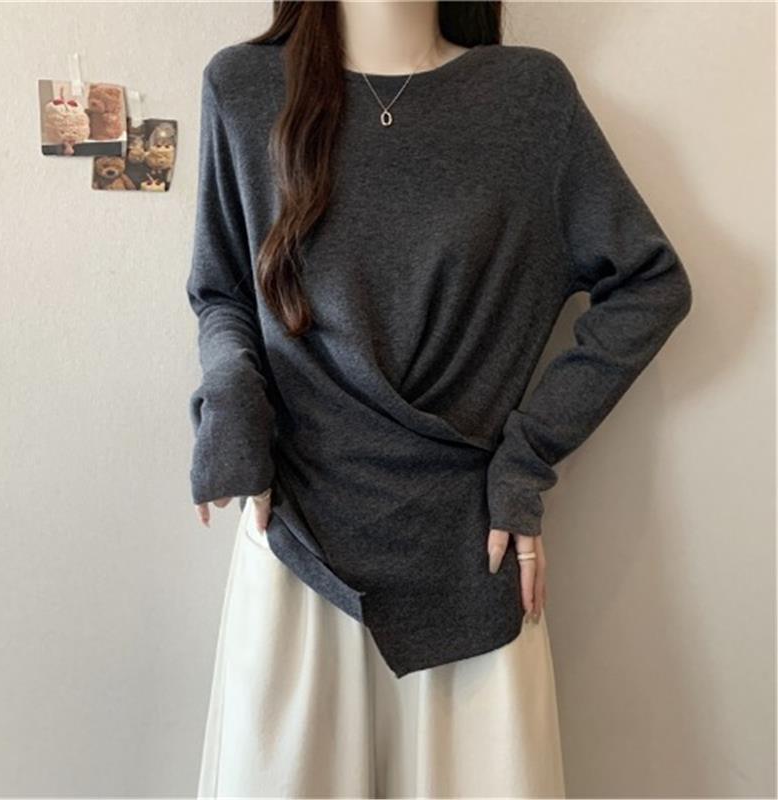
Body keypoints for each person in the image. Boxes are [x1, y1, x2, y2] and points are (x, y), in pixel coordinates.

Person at [186, 2, 693, 797]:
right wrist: (232, 398)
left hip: (468, 552)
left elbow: (649, 283)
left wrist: (527, 457)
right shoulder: (244, 87)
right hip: (296, 547)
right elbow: (223, 291)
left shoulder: (529, 97)